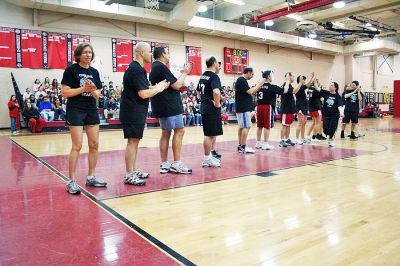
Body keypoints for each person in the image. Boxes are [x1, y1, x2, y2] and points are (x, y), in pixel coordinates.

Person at [120, 42, 169, 185]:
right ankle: (129, 174)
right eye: (149, 52)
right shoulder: (136, 69)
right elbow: (143, 93)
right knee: (132, 142)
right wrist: (159, 88)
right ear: (141, 53)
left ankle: (133, 169)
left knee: (134, 141)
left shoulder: (137, 68)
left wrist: (155, 87)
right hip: (132, 111)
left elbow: (143, 88)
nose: (151, 55)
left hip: (135, 110)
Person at [61, 43, 106, 195]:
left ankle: (91, 177)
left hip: (91, 109)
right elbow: (65, 92)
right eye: (85, 52)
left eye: (90, 52)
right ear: (79, 54)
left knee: (94, 144)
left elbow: (98, 96)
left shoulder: (95, 72)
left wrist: (92, 88)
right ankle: (71, 181)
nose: (88, 55)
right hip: (76, 109)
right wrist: (83, 89)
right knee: (77, 145)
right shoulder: (71, 70)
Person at [149, 46, 193, 174]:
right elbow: (176, 85)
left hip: (162, 105)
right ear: (163, 54)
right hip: (169, 106)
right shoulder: (161, 67)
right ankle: (177, 163)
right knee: (179, 131)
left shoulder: (155, 68)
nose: (168, 55)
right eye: (167, 53)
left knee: (166, 133)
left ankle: (164, 164)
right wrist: (185, 72)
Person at [197, 56, 223, 167]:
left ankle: (209, 157)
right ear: (213, 63)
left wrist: (204, 99)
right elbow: (216, 92)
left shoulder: (203, 76)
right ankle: (207, 158)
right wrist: (217, 104)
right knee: (209, 135)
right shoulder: (214, 76)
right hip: (211, 108)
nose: (219, 65)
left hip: (204, 106)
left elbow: (197, 91)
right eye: (218, 62)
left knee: (211, 133)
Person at [235, 67, 266, 153]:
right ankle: (243, 146)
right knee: (246, 126)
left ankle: (241, 146)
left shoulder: (242, 80)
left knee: (242, 127)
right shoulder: (241, 80)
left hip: (242, 107)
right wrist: (259, 84)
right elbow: (251, 92)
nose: (252, 76)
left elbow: (250, 91)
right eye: (252, 74)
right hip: (243, 108)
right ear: (248, 72)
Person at [255, 70, 286, 150]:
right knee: (267, 126)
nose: (273, 77)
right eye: (272, 75)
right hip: (267, 107)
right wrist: (287, 81)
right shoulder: (272, 87)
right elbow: (284, 91)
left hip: (259, 106)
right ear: (268, 77)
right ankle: (265, 144)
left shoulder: (258, 86)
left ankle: (258, 143)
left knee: (259, 126)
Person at [320, 82, 344, 147]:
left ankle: (331, 139)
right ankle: (327, 134)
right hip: (326, 114)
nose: (330, 86)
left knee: (332, 128)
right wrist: (313, 79)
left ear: (335, 88)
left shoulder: (338, 96)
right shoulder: (326, 93)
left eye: (331, 85)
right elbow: (317, 89)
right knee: (325, 128)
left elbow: (339, 106)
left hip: (334, 115)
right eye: (329, 85)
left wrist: (341, 113)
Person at [293, 72, 315, 145]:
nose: (305, 81)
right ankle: (296, 139)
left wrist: (312, 78)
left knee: (304, 123)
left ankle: (302, 138)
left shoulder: (304, 88)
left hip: (305, 106)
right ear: (300, 80)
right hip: (300, 107)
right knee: (300, 123)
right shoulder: (299, 87)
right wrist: (311, 78)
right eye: (303, 80)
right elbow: (307, 84)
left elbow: (308, 84)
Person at [279, 72, 297, 147]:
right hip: (285, 109)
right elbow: (288, 91)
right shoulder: (285, 85)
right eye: (293, 76)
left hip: (290, 108)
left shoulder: (290, 85)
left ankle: (287, 139)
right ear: (289, 77)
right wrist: (287, 79)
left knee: (288, 125)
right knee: (284, 125)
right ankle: (281, 140)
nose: (294, 78)